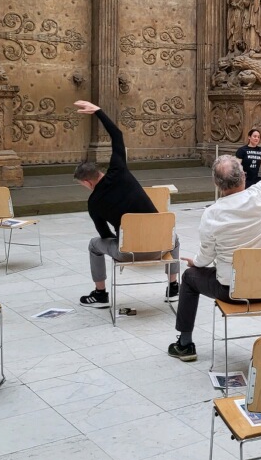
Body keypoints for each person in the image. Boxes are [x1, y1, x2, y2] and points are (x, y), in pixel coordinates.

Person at [168, 93, 261, 362]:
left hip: (234, 291)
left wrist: (196, 262)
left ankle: (185, 343)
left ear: (216, 184)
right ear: (243, 176)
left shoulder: (212, 215)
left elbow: (205, 257)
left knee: (190, 277)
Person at [72, 101, 180, 308]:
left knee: (94, 245)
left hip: (128, 252)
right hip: (161, 246)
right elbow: (117, 135)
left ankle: (100, 294)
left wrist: (130, 238)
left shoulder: (94, 203)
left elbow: (105, 235)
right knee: (174, 236)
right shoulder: (119, 169)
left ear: (87, 182)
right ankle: (173, 287)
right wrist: (98, 112)